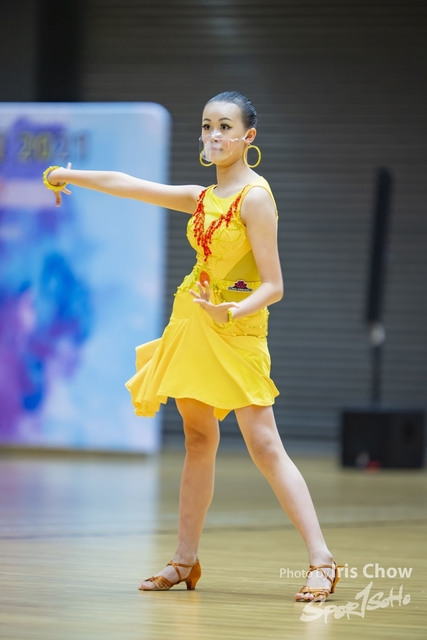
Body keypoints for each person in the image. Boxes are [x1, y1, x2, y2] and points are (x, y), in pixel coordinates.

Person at [43, 91, 342, 601]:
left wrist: (232, 311)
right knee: (198, 438)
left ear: (248, 137)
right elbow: (132, 186)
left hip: (237, 328)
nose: (214, 135)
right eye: (207, 126)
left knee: (264, 444)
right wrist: (64, 175)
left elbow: (274, 285)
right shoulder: (203, 198)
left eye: (225, 126)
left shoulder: (255, 198)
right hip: (193, 319)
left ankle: (322, 560)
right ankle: (184, 560)